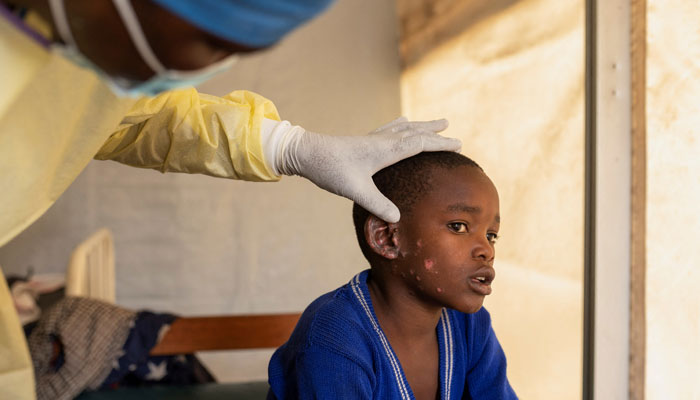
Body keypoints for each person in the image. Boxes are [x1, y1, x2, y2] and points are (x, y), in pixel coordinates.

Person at [0, 1, 462, 398]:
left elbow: (142, 116)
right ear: (385, 235)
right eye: (215, 43)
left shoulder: (464, 328)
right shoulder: (336, 335)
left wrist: (286, 146)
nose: (209, 68)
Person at [267, 151, 517, 399]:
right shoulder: (334, 337)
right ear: (386, 237)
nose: (486, 249)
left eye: (491, 235)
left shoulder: (470, 325)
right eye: (459, 226)